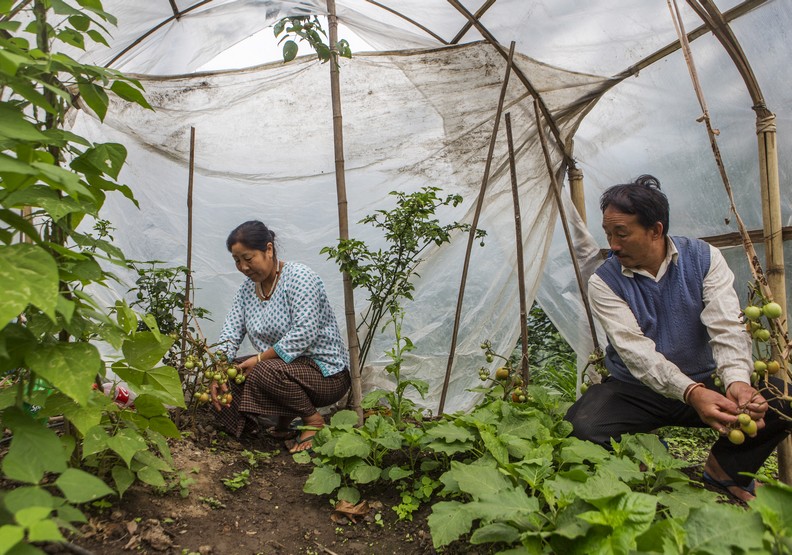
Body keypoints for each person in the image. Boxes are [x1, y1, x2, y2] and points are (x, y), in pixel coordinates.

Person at [565, 174, 791, 502]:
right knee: (581, 426)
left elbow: (726, 325)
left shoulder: (703, 258)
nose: (613, 245)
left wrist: (737, 381)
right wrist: (690, 392)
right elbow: (635, 351)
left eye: (622, 234)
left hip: (706, 380)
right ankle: (643, 462)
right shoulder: (604, 281)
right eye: (609, 234)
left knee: (781, 403)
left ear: (656, 230)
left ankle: (723, 471)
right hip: (636, 390)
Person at [212, 220, 350, 453]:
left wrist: (259, 359)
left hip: (326, 374)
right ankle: (255, 430)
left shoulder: (299, 278)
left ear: (268, 249)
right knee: (231, 371)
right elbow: (231, 332)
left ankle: (313, 420)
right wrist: (218, 366)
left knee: (263, 368)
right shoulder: (246, 291)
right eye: (237, 261)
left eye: (248, 258)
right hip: (285, 371)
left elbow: (303, 332)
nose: (243, 267)